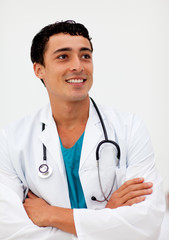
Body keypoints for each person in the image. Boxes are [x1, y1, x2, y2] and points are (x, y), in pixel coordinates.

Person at [0, 20, 165, 240]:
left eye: (85, 55)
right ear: (39, 69)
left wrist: (51, 215)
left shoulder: (129, 128)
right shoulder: (12, 140)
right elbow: (11, 230)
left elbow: (147, 222)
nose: (78, 65)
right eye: (63, 56)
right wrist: (107, 218)